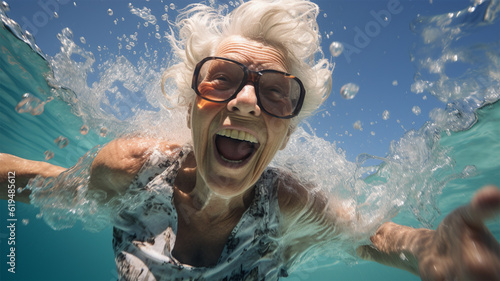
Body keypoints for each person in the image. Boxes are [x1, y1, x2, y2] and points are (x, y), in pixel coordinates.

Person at [1, 0, 500, 280]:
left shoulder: (285, 203)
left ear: (284, 136)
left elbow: (370, 235)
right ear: (189, 104)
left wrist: (431, 247)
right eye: (221, 78)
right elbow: (44, 185)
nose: (245, 102)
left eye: (274, 93)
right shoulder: (132, 169)